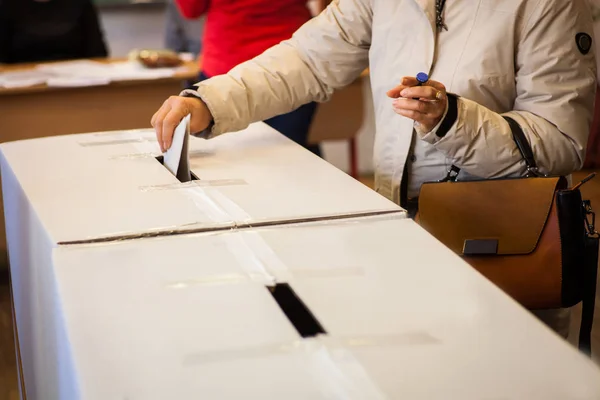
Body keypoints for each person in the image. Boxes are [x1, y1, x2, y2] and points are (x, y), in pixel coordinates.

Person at [152, 0, 597, 336]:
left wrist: (453, 121)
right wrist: (210, 101)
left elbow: (561, 140)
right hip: (398, 235)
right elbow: (307, 59)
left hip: (503, 248)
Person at [172, 0, 331, 156]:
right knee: (292, 155)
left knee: (226, 160)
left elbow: (191, 9)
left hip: (227, 59)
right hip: (294, 57)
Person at [0, 0, 108, 64]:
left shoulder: (81, 3)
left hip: (76, 85)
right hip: (21, 88)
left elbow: (98, 54)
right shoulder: (7, 6)